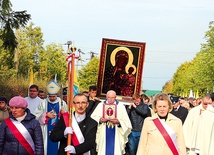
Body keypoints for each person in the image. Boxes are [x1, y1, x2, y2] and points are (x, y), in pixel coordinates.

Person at [91, 90, 132, 155]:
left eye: (112, 97)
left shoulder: (121, 106)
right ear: (106, 97)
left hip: (117, 133)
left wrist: (119, 122)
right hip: (103, 131)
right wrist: (100, 120)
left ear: (115, 97)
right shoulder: (101, 105)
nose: (110, 99)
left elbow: (126, 122)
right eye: (109, 97)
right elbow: (93, 117)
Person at [34, 80, 68, 155]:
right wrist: (45, 115)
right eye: (50, 96)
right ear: (48, 95)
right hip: (46, 129)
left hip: (58, 129)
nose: (52, 98)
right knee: (46, 148)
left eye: (54, 96)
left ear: (57, 95)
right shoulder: (43, 103)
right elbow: (36, 115)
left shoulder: (62, 103)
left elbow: (68, 116)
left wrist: (64, 114)